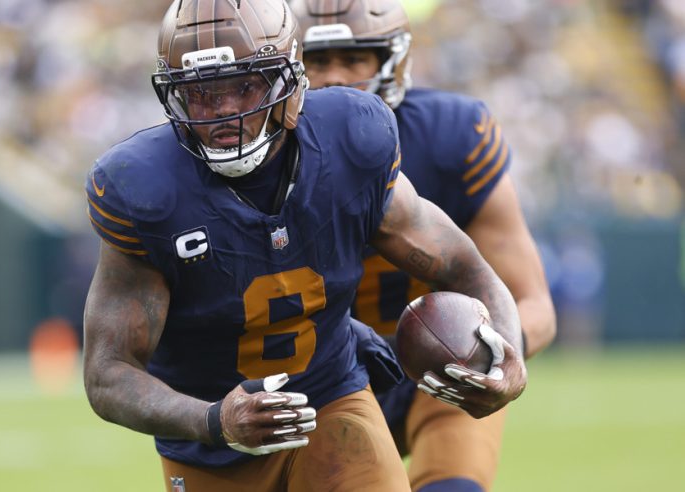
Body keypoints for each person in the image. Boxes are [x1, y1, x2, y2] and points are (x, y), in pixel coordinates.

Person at [83, 0, 527, 490]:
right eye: (202, 94)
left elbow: (468, 269)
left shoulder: (350, 140)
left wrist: (509, 353)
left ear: (290, 85)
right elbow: (107, 373)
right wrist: (213, 420)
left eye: (244, 86)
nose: (225, 110)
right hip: (210, 447)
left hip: (331, 401)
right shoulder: (144, 189)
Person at [289, 0, 557, 490]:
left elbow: (531, 302)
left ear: (392, 61)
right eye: (317, 61)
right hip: (317, 383)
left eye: (354, 58)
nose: (334, 78)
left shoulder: (450, 138)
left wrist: (494, 358)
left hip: (437, 372)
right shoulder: (254, 161)